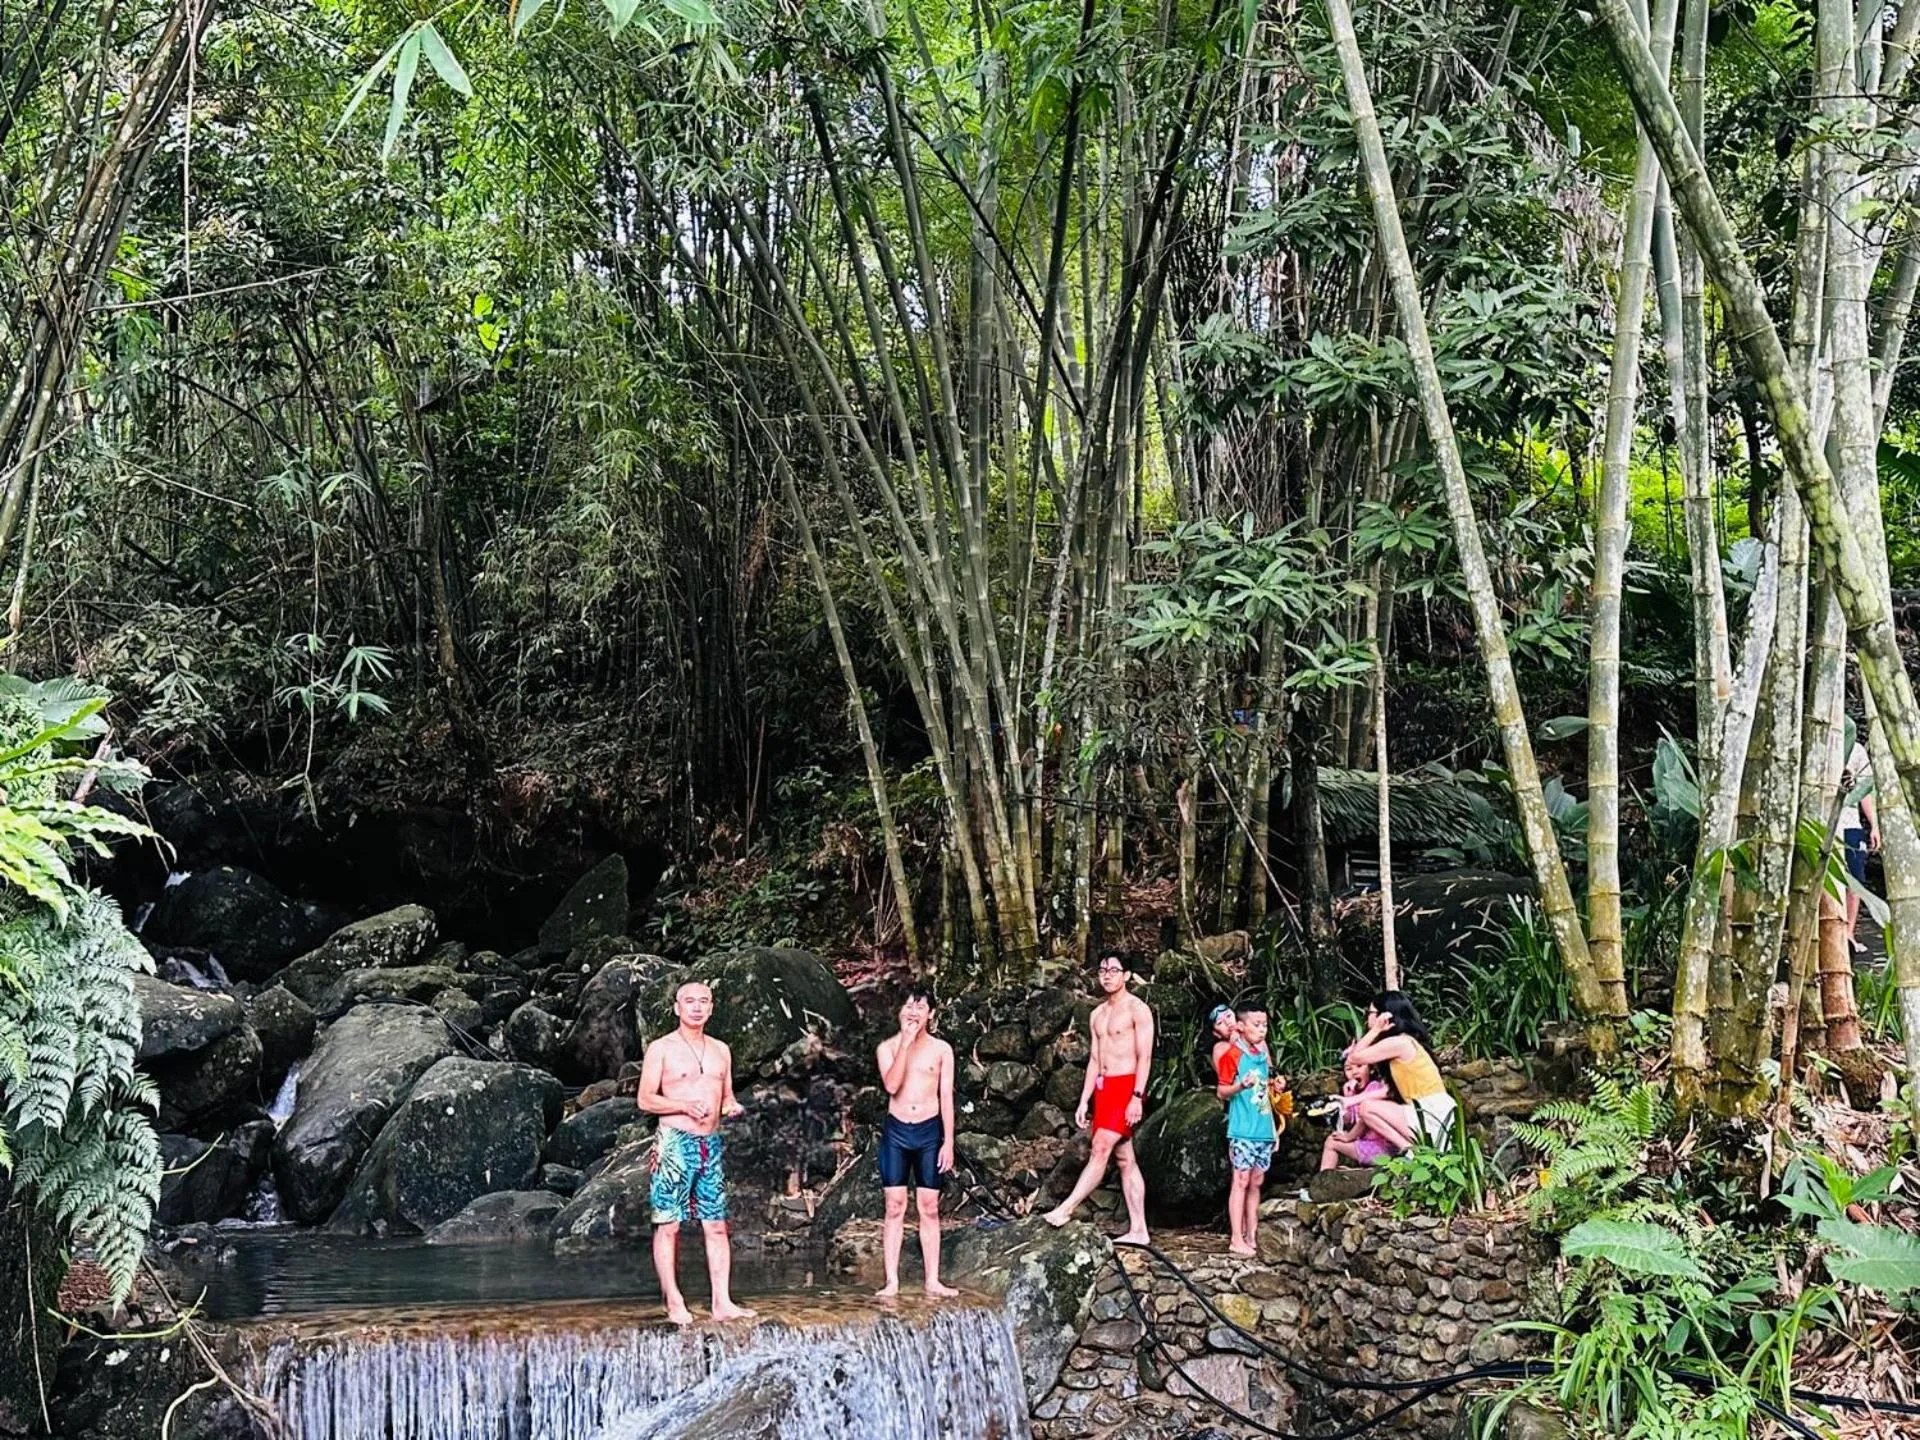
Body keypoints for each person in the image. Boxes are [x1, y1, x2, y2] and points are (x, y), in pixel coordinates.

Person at [636, 981, 756, 1324]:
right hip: (674, 1142)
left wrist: (732, 1106)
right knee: (669, 1225)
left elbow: (727, 1095)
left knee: (716, 1225)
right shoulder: (661, 1048)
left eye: (704, 1001)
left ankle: (722, 1302)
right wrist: (685, 1106)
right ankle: (673, 1301)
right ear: (677, 1008)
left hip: (710, 1145)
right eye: (689, 1001)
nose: (697, 1007)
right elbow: (645, 1100)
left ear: (712, 1008)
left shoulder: (721, 1050)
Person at [1040, 951, 1155, 1245]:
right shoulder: (1096, 1014)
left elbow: (1145, 1057)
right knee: (1125, 1158)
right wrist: (1083, 1100)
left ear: (1127, 975)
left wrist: (1136, 1097)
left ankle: (1066, 1208)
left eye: (1114, 970)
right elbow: (1094, 1059)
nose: (1107, 975)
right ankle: (1139, 1229)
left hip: (1126, 1085)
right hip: (1104, 1090)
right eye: (1103, 969)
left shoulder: (1137, 1009)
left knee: (1101, 1147)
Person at [874, 985, 959, 1299]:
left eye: (920, 1007)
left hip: (928, 1132)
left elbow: (946, 1097)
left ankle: (932, 1280)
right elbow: (892, 1085)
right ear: (900, 1011)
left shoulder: (941, 1050)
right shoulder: (887, 1048)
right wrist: (906, 1044)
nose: (913, 1012)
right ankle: (892, 1281)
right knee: (894, 1206)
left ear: (931, 1014)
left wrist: (948, 1141)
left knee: (929, 1207)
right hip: (897, 1131)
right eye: (908, 1006)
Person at [1341, 991, 1454, 1154]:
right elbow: (1387, 1090)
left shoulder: (1400, 1042)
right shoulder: (1402, 1042)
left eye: (1370, 1013)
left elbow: (1354, 1058)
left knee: (1367, 1108)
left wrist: (1375, 1030)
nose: (1367, 1018)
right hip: (1427, 1112)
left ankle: (1410, 1152)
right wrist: (1348, 1102)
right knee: (1367, 1108)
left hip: (1431, 1114)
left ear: (1384, 1015)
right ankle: (1412, 1151)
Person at [1215, 1005, 1281, 1256]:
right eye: (1256, 1024)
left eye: (1264, 1025)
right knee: (1240, 1180)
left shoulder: (1264, 1055)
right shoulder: (1232, 1055)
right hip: (1242, 1129)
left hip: (1263, 1127)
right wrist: (1240, 1086)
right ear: (1241, 1027)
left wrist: (1274, 1128)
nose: (1262, 1030)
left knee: (1256, 1181)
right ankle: (1235, 1237)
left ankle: (1252, 1234)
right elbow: (1221, 1091)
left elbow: (1267, 1092)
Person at [1840, 720, 1880, 951]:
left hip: (1850, 823)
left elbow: (1865, 790)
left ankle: (1849, 933)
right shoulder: (1821, 743)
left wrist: (1874, 825)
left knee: (1855, 879)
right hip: (1823, 823)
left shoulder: (1856, 750)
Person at [1319, 1054, 1396, 1171]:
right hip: (1369, 1145)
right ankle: (1325, 1180)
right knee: (1333, 1139)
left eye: (1359, 1066)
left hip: (1383, 1148)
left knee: (1331, 1142)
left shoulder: (1375, 1088)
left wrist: (1348, 1137)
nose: (1354, 1072)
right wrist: (1347, 1098)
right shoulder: (1353, 1094)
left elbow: (1363, 1121)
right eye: (1349, 1069)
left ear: (1370, 1069)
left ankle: (1322, 1184)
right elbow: (1350, 1121)